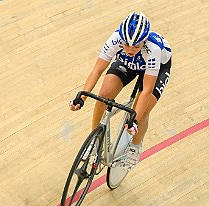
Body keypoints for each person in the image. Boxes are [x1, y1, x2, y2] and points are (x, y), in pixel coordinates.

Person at [69, 12, 172, 170]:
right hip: (128, 64)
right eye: (126, 45)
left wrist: (134, 120)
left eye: (136, 46)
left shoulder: (153, 50)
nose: (130, 49)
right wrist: (82, 97)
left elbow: (147, 91)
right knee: (103, 95)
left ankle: (135, 147)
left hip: (156, 70)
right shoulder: (115, 40)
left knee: (142, 112)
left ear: (144, 41)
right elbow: (97, 70)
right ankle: (95, 140)